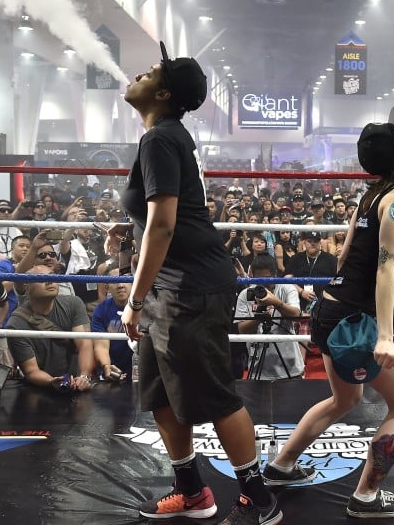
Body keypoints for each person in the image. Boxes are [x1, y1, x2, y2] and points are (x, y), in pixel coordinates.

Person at [117, 42, 280, 524]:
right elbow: (162, 217)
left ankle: (259, 499)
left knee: (211, 392)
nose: (137, 76)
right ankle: (191, 491)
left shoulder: (160, 139)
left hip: (188, 285)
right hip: (173, 283)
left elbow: (165, 225)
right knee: (159, 392)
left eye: (148, 72)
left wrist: (135, 299)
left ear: (163, 93)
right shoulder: (168, 135)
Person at [265, 108, 394, 519]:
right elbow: (384, 268)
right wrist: (384, 336)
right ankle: (366, 496)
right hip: (355, 319)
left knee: (345, 399)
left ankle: (281, 466)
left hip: (332, 309)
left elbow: (343, 257)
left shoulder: (371, 194)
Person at [5, 266, 94, 392]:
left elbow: (85, 344)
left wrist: (84, 376)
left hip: (77, 383)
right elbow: (31, 371)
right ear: (27, 286)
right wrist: (51, 381)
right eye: (42, 278)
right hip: (40, 390)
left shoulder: (74, 304)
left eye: (52, 276)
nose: (49, 281)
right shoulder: (15, 324)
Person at [235, 255, 304, 381]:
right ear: (252, 276)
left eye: (267, 278)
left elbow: (297, 316)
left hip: (290, 365)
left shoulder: (286, 288)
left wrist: (277, 303)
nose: (263, 283)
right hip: (258, 367)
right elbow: (242, 330)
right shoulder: (246, 294)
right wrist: (258, 318)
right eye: (258, 279)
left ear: (275, 274)